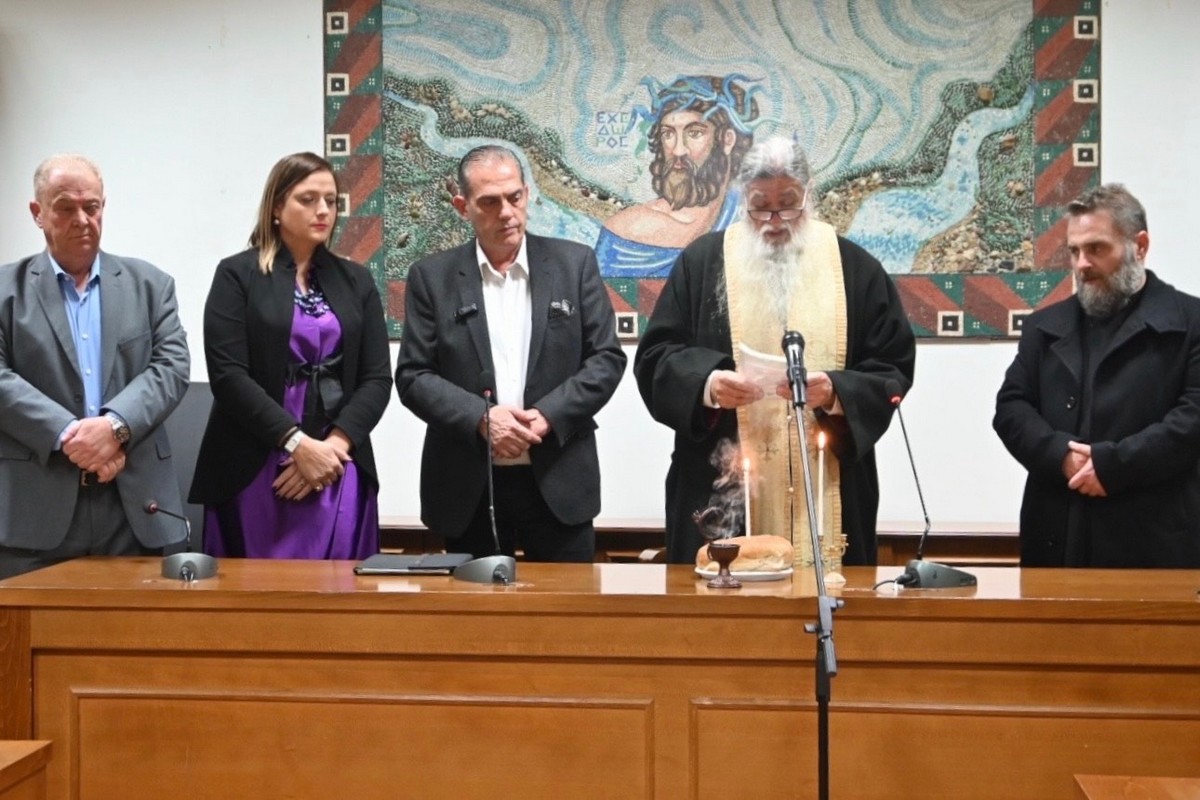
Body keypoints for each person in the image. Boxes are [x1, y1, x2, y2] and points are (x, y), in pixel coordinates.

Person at [634, 136, 915, 566]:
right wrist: (709, 385)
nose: (775, 220)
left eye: (788, 204)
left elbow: (891, 366)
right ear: (743, 198)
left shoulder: (854, 268)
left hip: (829, 483)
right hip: (719, 486)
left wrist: (835, 392)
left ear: (809, 193)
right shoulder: (703, 262)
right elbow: (656, 358)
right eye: (760, 206)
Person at [396, 145, 626, 562]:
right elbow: (414, 376)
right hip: (468, 486)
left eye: (514, 197)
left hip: (559, 476)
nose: (506, 212)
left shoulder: (574, 264)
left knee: (566, 603)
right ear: (462, 207)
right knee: (473, 605)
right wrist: (482, 419)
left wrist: (548, 415)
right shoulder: (432, 278)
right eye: (489, 202)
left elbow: (606, 359)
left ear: (527, 194)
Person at [189, 152, 392, 559]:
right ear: (276, 207)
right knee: (256, 590)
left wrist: (332, 448)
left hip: (338, 462)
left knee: (338, 590)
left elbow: (376, 378)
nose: (323, 210)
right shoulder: (237, 275)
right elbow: (229, 376)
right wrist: (297, 445)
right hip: (255, 463)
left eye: (331, 201)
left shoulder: (357, 280)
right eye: (308, 199)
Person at [0, 154, 190, 580]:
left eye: (91, 207)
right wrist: (71, 435)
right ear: (37, 212)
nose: (82, 219)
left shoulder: (151, 285)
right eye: (65, 207)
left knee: (136, 623)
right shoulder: (5, 291)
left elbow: (172, 366)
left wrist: (114, 428)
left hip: (135, 507)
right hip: (34, 513)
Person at [994, 184, 1200, 568]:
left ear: (1140, 246)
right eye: (1074, 251)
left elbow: (1191, 421)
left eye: (1096, 248)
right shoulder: (1044, 327)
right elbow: (1010, 408)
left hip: (1155, 538)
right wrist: (1060, 456)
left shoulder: (1191, 322)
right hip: (1055, 531)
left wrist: (1112, 465)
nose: (1082, 264)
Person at [596, 74, 760, 278]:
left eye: (694, 133)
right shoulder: (628, 231)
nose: (678, 150)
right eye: (668, 134)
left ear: (727, 140)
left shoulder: (752, 218)